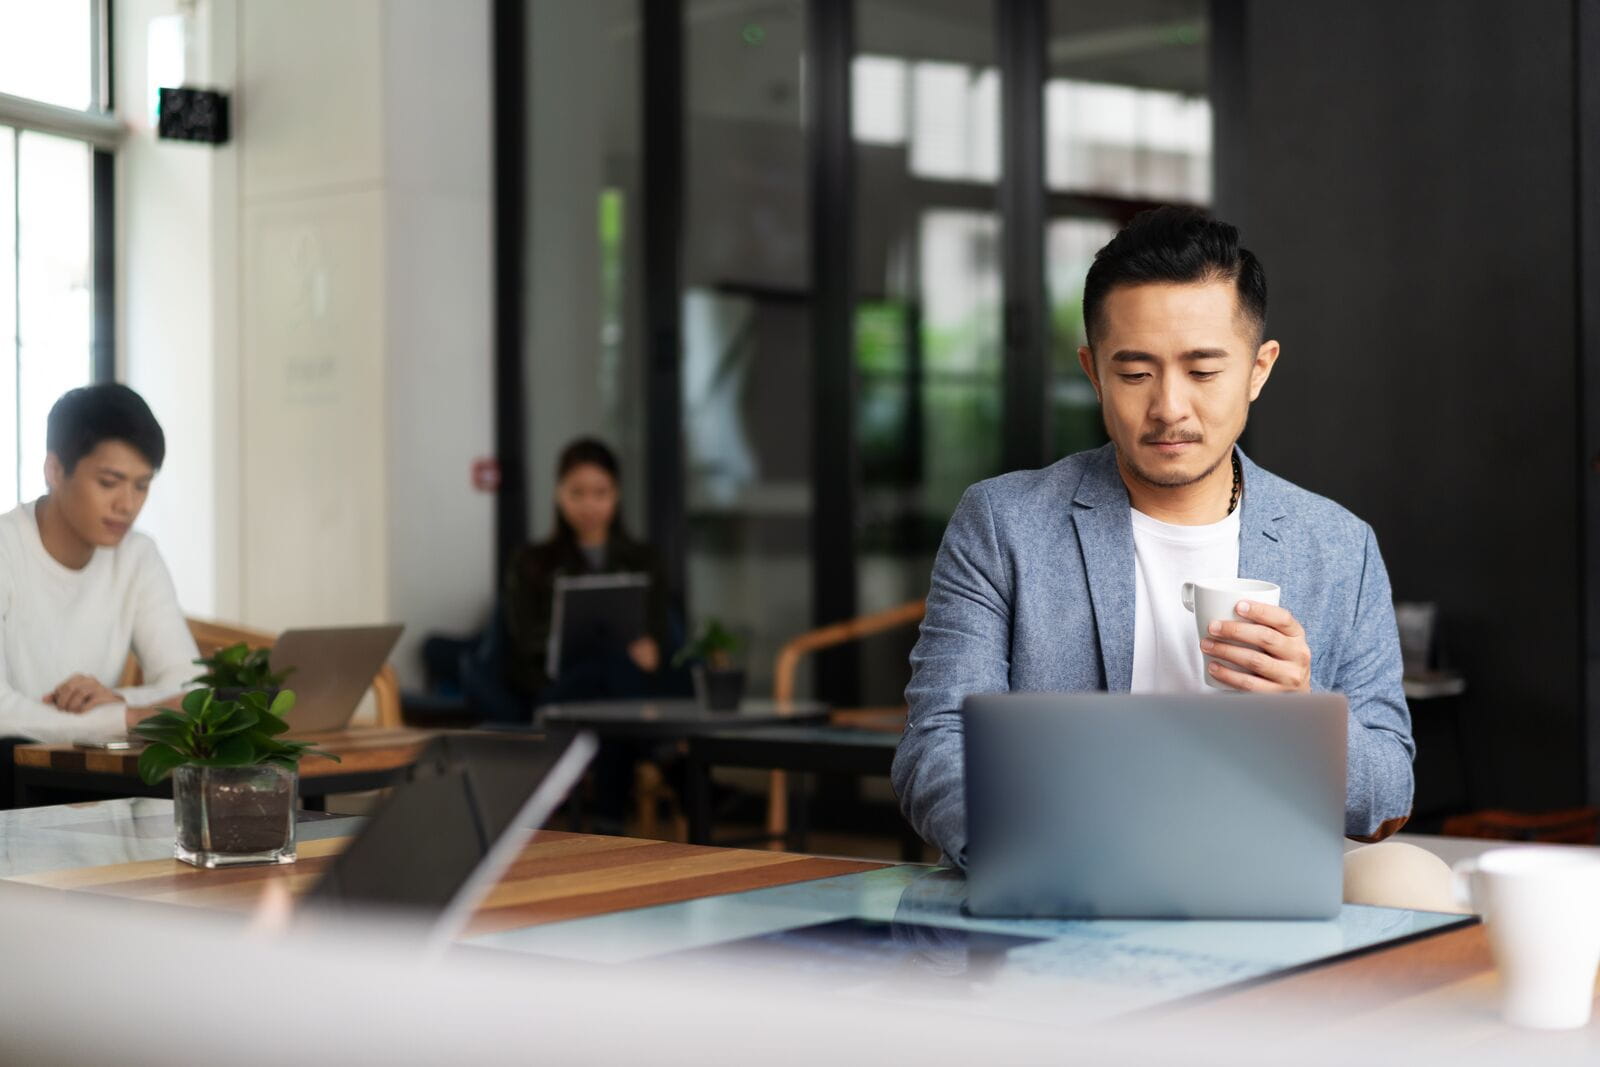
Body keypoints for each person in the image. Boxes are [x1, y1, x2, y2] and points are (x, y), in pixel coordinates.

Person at [892, 208, 1418, 897]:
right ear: (1092, 371)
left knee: (1412, 882)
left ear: (1259, 369)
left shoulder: (1338, 545)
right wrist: (1056, 859)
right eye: (1136, 372)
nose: (1170, 406)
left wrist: (1302, 713)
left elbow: (1390, 790)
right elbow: (936, 747)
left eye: (1203, 369)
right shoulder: (1004, 523)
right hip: (1065, 876)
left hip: (1260, 882)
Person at [0, 384, 198, 753]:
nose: (127, 504)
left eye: (142, 486)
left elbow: (190, 686)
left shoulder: (137, 555)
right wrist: (127, 718)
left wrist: (115, 700)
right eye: (109, 482)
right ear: (55, 470)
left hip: (87, 774)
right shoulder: (6, 547)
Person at [503, 437, 671, 707]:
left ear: (616, 494)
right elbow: (522, 642)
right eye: (577, 493)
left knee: (617, 668)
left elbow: (659, 629)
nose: (589, 505)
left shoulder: (645, 560)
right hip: (560, 683)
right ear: (559, 494)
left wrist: (652, 650)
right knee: (596, 671)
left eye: (600, 493)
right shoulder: (531, 561)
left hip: (626, 676)